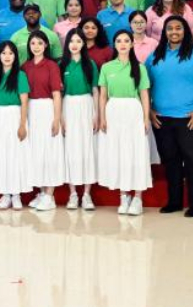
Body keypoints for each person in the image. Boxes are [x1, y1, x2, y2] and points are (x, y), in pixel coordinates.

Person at [147, 16, 193, 217]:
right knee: (170, 161)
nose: (174, 32)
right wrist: (150, 110)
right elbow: (145, 86)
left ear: (185, 31)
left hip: (191, 118)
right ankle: (174, 202)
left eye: (178, 28)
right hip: (163, 119)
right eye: (170, 29)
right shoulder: (155, 56)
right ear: (164, 32)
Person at [96, 30, 153, 215]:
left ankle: (137, 197)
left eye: (126, 41)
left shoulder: (140, 67)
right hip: (113, 111)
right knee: (118, 152)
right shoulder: (107, 68)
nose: (122, 44)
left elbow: (144, 94)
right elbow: (103, 95)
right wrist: (102, 117)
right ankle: (123, 195)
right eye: (118, 41)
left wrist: (145, 118)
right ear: (114, 44)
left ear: (131, 44)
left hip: (133, 111)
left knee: (135, 152)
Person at [22, 31, 63, 210]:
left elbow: (56, 94)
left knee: (49, 150)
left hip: (47, 109)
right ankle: (40, 191)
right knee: (36, 151)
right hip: (31, 110)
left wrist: (56, 118)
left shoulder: (51, 66)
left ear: (46, 45)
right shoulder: (25, 67)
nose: (36, 46)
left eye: (40, 43)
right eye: (33, 43)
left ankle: (50, 194)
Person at [0, 41, 30, 210]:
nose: (7, 56)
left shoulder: (20, 75)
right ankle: (5, 194)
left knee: (16, 154)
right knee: (0, 155)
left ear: (15, 56)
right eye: (3, 53)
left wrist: (22, 124)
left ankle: (16, 194)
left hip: (15, 115)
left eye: (10, 53)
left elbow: (24, 102)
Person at [59, 29, 98, 210]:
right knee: (70, 149)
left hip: (87, 105)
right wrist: (60, 116)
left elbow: (96, 90)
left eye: (78, 41)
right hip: (68, 106)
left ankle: (87, 194)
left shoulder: (90, 64)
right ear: (67, 44)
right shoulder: (62, 65)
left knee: (87, 148)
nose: (75, 44)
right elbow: (58, 93)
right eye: (71, 41)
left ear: (84, 44)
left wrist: (97, 114)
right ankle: (73, 194)